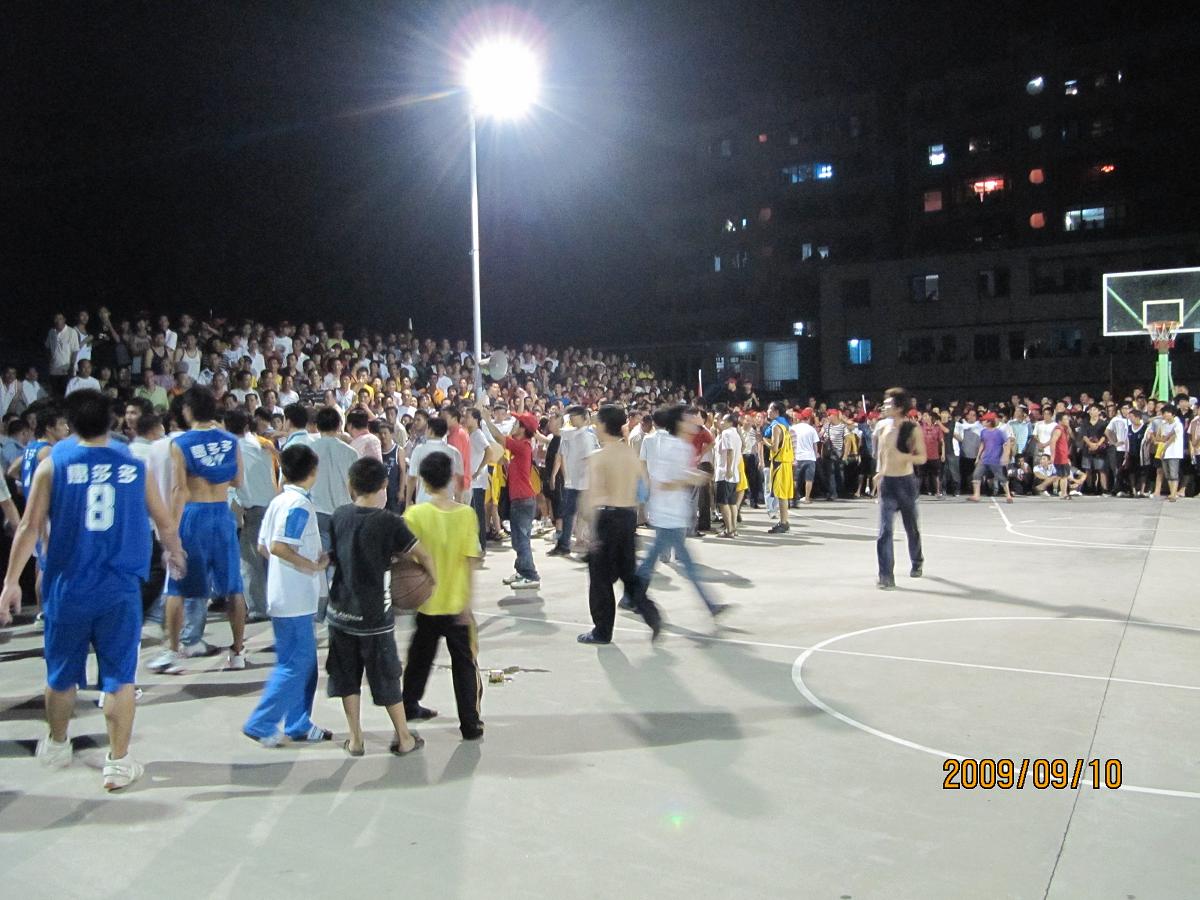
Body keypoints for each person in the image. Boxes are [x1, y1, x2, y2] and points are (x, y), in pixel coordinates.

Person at [0, 390, 185, 791]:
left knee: (61, 674)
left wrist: (11, 582)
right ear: (112, 422)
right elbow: (165, 521)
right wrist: (174, 552)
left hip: (68, 585)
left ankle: (57, 743)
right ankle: (118, 763)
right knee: (119, 677)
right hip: (119, 587)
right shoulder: (134, 466)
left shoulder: (53, 465)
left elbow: (29, 527)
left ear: (70, 424)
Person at [326, 457, 428, 756]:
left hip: (340, 612)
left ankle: (356, 739)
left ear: (350, 485)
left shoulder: (339, 515)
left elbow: (336, 556)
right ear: (384, 485)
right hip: (374, 617)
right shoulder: (390, 521)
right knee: (386, 677)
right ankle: (404, 737)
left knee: (347, 679)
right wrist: (430, 579)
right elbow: (422, 554)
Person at [149, 386, 248, 674]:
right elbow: (238, 481)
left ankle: (172, 652)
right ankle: (238, 652)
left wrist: (170, 533)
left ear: (188, 410)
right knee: (233, 587)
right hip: (222, 515)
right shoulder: (230, 441)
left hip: (193, 517)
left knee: (177, 587)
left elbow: (179, 490)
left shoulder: (180, 443)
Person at [243, 443, 334, 747]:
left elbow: (263, 547)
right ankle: (261, 721)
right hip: (295, 599)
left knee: (299, 664)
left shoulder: (278, 502)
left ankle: (298, 723)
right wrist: (312, 565)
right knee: (298, 664)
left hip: (283, 595)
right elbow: (280, 546)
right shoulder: (298, 505)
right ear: (313, 471)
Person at [402, 451, 485, 741]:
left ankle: (408, 705)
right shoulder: (466, 515)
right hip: (457, 604)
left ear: (424, 482)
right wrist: (469, 603)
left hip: (425, 602)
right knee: (464, 665)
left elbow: (404, 557)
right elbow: (470, 562)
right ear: (451, 478)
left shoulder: (414, 515)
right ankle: (470, 724)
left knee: (419, 658)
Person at [632, 405, 729, 620]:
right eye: (688, 420)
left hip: (671, 511)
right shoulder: (674, 447)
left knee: (655, 559)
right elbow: (665, 481)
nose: (694, 424)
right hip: (668, 513)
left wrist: (690, 477)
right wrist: (692, 477)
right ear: (678, 424)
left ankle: (631, 596)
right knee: (681, 563)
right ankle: (710, 604)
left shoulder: (679, 446)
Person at [577, 405, 661, 644]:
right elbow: (644, 486)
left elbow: (592, 495)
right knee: (627, 573)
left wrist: (585, 526)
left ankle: (602, 630)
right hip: (628, 516)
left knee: (600, 579)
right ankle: (650, 612)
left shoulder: (599, 457)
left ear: (604, 425)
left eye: (596, 423)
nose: (595, 427)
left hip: (607, 517)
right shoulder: (630, 454)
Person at [479, 401, 542, 589]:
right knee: (518, 539)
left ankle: (530, 575)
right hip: (521, 499)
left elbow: (499, 437)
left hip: (523, 500)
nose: (512, 426)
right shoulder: (521, 447)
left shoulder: (522, 446)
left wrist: (486, 420)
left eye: (516, 423)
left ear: (523, 429)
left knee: (521, 539)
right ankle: (522, 571)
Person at [875, 387, 926, 589]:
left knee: (911, 527)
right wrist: (880, 473)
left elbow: (922, 457)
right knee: (885, 531)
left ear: (899, 407)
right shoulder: (882, 427)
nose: (884, 406)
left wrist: (904, 457)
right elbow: (882, 453)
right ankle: (886, 575)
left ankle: (917, 561)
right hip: (887, 483)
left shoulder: (912, 429)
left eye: (888, 404)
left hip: (905, 483)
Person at [230, 408, 277, 621]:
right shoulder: (263, 444)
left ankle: (258, 608)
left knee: (250, 561)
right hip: (271, 505)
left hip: (254, 509)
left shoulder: (234, 448)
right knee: (268, 558)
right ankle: (273, 601)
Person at [549, 405, 598, 557]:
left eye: (575, 416)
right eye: (571, 417)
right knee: (568, 514)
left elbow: (592, 459)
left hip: (586, 482)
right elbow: (561, 453)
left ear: (584, 418)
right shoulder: (567, 434)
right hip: (571, 482)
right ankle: (564, 545)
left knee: (588, 515)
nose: (572, 419)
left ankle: (595, 548)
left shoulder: (589, 436)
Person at [970, 412, 1014, 503]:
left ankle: (1008, 495)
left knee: (1001, 477)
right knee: (976, 475)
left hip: (995, 459)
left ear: (989, 422)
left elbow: (1007, 443)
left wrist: (1005, 456)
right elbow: (982, 444)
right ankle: (976, 495)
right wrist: (978, 456)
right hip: (984, 458)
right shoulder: (983, 432)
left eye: (984, 421)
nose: (982, 422)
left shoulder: (999, 432)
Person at [766, 402, 794, 533]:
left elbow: (774, 447)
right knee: (784, 494)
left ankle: (783, 523)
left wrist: (763, 440)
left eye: (770, 409)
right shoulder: (785, 425)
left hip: (780, 462)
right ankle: (784, 521)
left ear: (776, 411)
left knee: (782, 495)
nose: (768, 411)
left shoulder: (776, 427)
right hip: (786, 462)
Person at [715, 412, 742, 537]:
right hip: (734, 473)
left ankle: (729, 529)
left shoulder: (726, 433)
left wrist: (728, 469)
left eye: (724, 421)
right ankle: (733, 528)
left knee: (723, 502)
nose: (721, 422)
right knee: (732, 502)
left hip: (725, 473)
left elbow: (730, 451)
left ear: (730, 422)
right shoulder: (736, 434)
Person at [1159, 404, 1184, 501]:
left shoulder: (1178, 424)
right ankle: (1172, 492)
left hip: (1174, 452)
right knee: (1168, 474)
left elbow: (1172, 438)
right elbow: (1163, 438)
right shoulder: (1164, 424)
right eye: (1164, 413)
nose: (1165, 415)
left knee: (1174, 474)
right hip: (1165, 453)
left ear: (1173, 414)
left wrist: (1164, 449)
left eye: (1168, 413)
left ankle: (1174, 494)